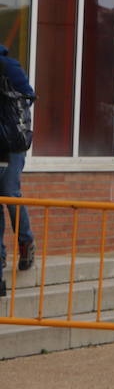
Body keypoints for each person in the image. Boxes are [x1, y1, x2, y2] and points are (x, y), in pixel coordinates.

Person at [0, 43, 36, 294]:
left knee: (10, 194)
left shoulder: (8, 65)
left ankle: (25, 242)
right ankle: (0, 256)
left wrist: (6, 95)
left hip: (12, 143)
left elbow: (29, 95)